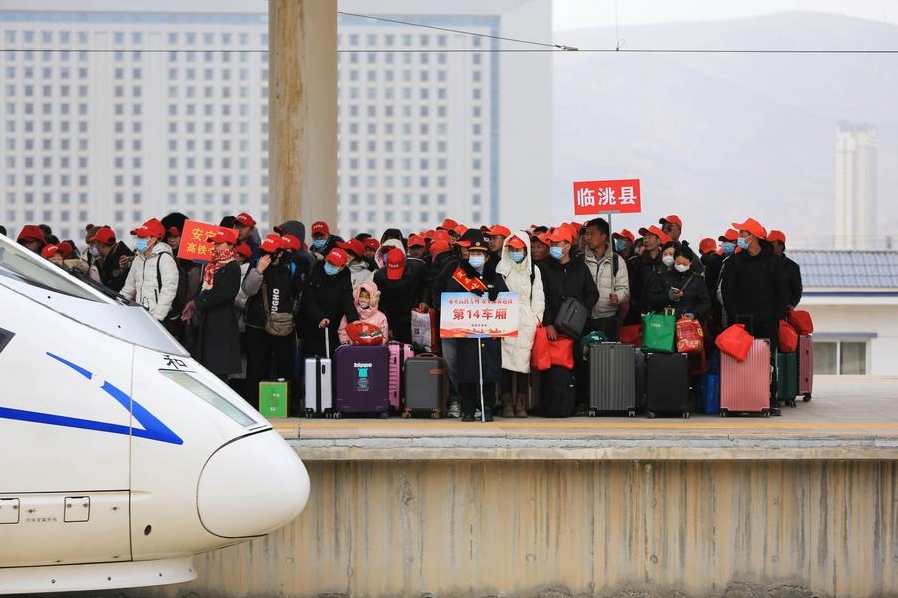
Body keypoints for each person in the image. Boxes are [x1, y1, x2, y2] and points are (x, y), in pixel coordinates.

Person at [722, 218, 788, 416]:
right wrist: (735, 317)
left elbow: (782, 292)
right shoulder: (734, 261)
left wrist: (776, 316)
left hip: (767, 321)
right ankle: (739, 399)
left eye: (742, 234)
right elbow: (727, 291)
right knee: (739, 360)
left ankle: (770, 398)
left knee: (768, 361)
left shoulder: (773, 262)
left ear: (754, 237)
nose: (739, 238)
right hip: (742, 321)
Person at [442, 237, 508, 422]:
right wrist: (467, 294)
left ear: (486, 257)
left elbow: (507, 305)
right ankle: (468, 408)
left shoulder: (496, 276)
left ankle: (486, 407)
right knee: (467, 371)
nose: (475, 256)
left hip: (488, 334)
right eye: (472, 253)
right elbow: (450, 302)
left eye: (479, 253)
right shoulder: (460, 277)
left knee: (488, 371)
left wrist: (497, 294)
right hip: (467, 335)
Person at [241, 234, 302, 409]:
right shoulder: (257, 263)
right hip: (256, 325)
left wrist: (291, 316)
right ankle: (254, 406)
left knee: (285, 367)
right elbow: (248, 290)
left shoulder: (291, 268)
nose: (265, 255)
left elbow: (298, 295)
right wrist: (258, 271)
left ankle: (289, 406)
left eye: (270, 252)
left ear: (280, 253)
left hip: (282, 326)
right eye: (263, 251)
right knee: (256, 368)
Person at [183, 227, 243, 380]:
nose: (215, 246)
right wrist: (193, 302)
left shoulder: (233, 267)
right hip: (207, 319)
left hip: (222, 322)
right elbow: (203, 287)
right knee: (207, 367)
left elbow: (224, 294)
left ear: (230, 245)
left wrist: (198, 303)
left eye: (219, 243)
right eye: (214, 243)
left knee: (218, 367)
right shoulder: (212, 266)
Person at [495, 232, 544, 418]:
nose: (516, 252)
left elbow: (538, 295)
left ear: (526, 249)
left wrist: (536, 318)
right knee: (505, 360)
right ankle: (507, 401)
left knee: (523, 362)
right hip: (505, 315)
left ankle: (521, 402)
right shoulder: (502, 267)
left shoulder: (533, 269)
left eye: (519, 249)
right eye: (513, 249)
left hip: (526, 319)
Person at [538, 227, 599, 343]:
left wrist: (579, 312)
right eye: (551, 244)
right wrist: (548, 323)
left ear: (568, 246)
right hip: (552, 329)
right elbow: (541, 297)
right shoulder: (543, 267)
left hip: (575, 327)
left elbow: (593, 293)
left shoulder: (580, 267)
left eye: (557, 243)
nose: (553, 247)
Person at [119, 218, 181, 334]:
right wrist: (118, 306)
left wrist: (157, 317)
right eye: (139, 237)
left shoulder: (165, 259)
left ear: (154, 239)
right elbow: (129, 288)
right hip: (141, 316)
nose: (139, 240)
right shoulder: (138, 259)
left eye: (143, 237)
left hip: (159, 320)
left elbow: (169, 290)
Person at [300, 247, 359, 358]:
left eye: (335, 265)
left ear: (342, 267)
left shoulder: (345, 274)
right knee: (312, 359)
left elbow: (347, 299)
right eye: (329, 262)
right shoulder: (315, 270)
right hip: (313, 323)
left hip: (334, 325)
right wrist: (319, 317)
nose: (330, 266)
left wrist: (354, 320)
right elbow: (308, 299)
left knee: (332, 357)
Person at [582, 217, 630, 341]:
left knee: (607, 358)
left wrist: (618, 296)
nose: (587, 238)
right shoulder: (579, 260)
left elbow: (624, 289)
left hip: (607, 319)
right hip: (583, 318)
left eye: (592, 234)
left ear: (604, 237)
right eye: (586, 234)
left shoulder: (617, 261)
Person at [373, 246, 430, 344]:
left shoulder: (418, 268)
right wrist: (388, 326)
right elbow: (381, 303)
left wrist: (424, 300)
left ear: (405, 263)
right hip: (393, 314)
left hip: (413, 313)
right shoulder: (379, 276)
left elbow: (425, 285)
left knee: (416, 346)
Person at [627, 224, 671, 324]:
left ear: (659, 241)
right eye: (644, 237)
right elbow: (631, 289)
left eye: (650, 237)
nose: (646, 240)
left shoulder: (667, 262)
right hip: (640, 314)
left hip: (663, 314)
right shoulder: (634, 263)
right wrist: (636, 310)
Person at [87, 226, 133, 293]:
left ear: (101, 244)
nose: (95, 247)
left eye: (95, 243)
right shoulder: (112, 257)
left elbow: (114, 289)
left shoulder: (119, 260)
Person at [768, 230, 803, 309]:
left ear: (780, 246)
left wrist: (791, 304)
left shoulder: (792, 267)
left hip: (782, 312)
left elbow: (797, 291)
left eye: (771, 244)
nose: (768, 247)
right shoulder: (762, 263)